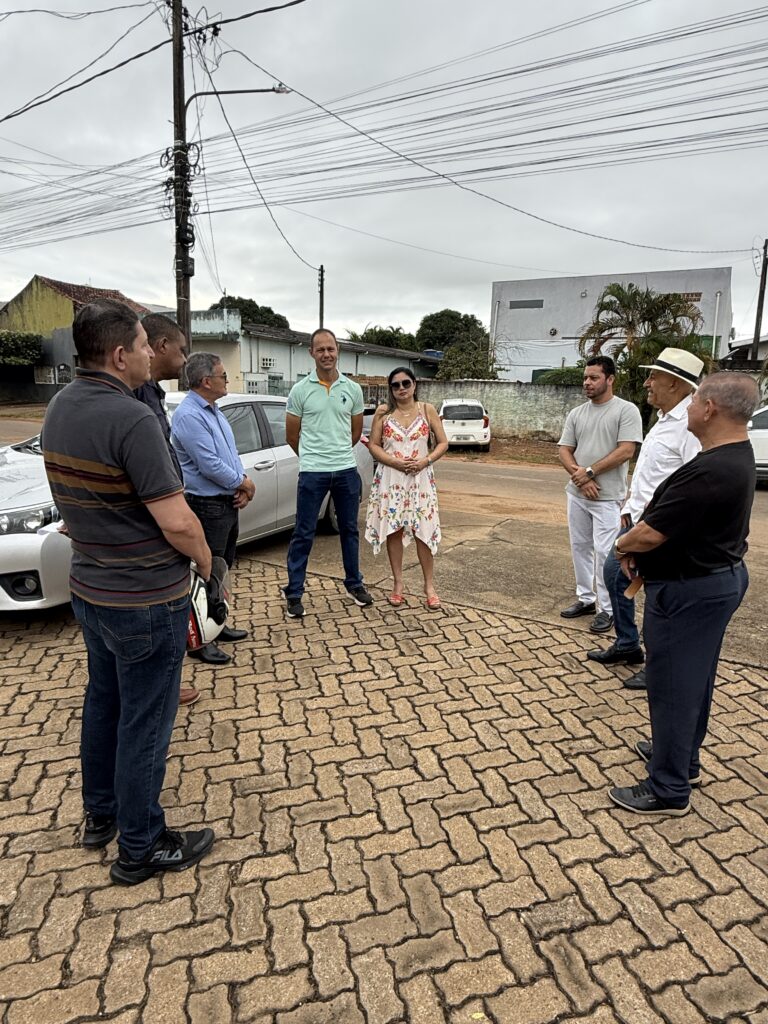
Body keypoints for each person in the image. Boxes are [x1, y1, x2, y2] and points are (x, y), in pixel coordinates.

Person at [41, 298, 215, 885]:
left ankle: (101, 815)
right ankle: (141, 847)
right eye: (143, 344)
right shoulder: (133, 419)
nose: (148, 353)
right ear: (120, 355)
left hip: (90, 589)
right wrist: (206, 562)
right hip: (145, 598)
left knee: (104, 702)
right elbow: (178, 521)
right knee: (146, 721)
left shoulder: (59, 406)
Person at [608, 372, 759, 816]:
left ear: (709, 409)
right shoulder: (735, 454)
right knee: (694, 679)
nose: (688, 409)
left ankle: (668, 788)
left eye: (694, 402)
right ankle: (680, 759)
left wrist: (621, 546)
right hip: (712, 580)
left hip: (689, 589)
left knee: (672, 685)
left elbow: (651, 534)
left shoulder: (711, 470)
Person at [587, 348, 703, 685]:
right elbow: (651, 474)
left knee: (659, 600)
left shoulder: (689, 426)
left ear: (675, 383)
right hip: (635, 520)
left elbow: (690, 485)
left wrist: (657, 525)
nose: (647, 382)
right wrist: (628, 509)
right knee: (615, 575)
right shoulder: (665, 419)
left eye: (654, 376)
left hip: (660, 527)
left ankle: (659, 668)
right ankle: (628, 644)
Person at [171, 352, 255, 665]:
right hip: (206, 506)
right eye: (223, 375)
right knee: (204, 573)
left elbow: (229, 456)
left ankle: (216, 623)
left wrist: (240, 486)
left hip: (225, 503)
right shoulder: (190, 416)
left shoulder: (213, 411)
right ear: (207, 381)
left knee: (221, 569)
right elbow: (209, 465)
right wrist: (244, 484)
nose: (227, 380)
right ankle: (199, 641)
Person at [283, 328, 373, 618]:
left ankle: (354, 584)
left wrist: (336, 454)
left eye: (330, 348)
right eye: (320, 349)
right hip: (313, 473)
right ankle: (294, 592)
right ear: (311, 353)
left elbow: (355, 433)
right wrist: (313, 458)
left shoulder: (352, 389)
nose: (326, 354)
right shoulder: (300, 390)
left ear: (338, 351)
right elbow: (292, 436)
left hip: (346, 470)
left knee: (349, 530)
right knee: (304, 532)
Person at [133, 313, 199, 706]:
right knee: (160, 620)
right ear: (161, 347)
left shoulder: (151, 394)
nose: (184, 359)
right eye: (181, 350)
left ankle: (165, 686)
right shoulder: (136, 401)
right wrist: (202, 557)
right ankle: (159, 694)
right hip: (153, 531)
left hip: (159, 522)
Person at [558, 356, 643, 633]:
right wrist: (581, 478)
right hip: (578, 494)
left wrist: (590, 471)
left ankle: (606, 609)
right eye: (585, 377)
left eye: (594, 378)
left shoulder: (626, 411)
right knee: (580, 547)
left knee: (605, 553)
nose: (587, 382)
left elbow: (626, 450)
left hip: (607, 498)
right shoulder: (577, 413)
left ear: (610, 379)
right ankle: (586, 598)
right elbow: (564, 450)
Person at [365, 366, 449, 608]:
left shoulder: (427, 409)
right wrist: (394, 462)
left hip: (420, 479)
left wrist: (425, 461)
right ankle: (398, 584)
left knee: (424, 530)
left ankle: (429, 586)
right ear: (390, 389)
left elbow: (443, 443)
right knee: (394, 529)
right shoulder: (384, 412)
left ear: (414, 385)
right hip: (391, 479)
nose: (401, 388)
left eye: (405, 383)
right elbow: (374, 445)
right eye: (395, 385)